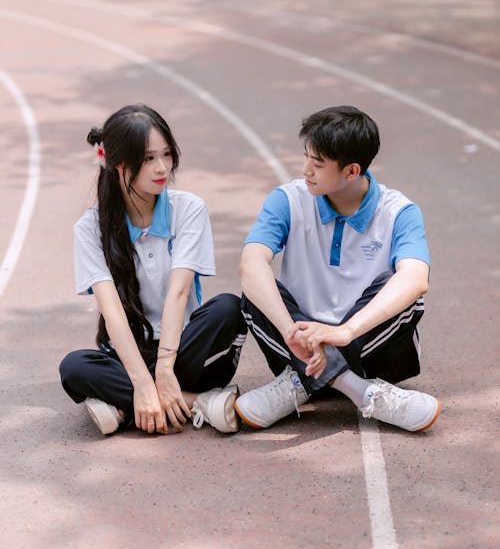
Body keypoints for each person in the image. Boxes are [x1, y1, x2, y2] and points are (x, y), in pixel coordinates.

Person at [235, 105, 441, 433]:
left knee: (402, 289)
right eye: (306, 158)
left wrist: (343, 333)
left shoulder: (398, 212)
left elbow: (416, 278)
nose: (305, 170)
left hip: (371, 346)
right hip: (298, 344)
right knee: (255, 289)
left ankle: (300, 383)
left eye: (317, 164)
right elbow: (251, 263)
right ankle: (359, 390)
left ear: (351, 171)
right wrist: (293, 333)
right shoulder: (288, 200)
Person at [60, 104, 246, 436]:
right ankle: (197, 404)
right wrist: (143, 382)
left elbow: (180, 292)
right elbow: (112, 310)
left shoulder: (188, 209)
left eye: (167, 154)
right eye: (148, 159)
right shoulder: (90, 228)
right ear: (116, 164)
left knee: (229, 308)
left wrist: (163, 368)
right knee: (74, 367)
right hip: (130, 353)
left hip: (185, 349)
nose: (162, 168)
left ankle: (122, 408)